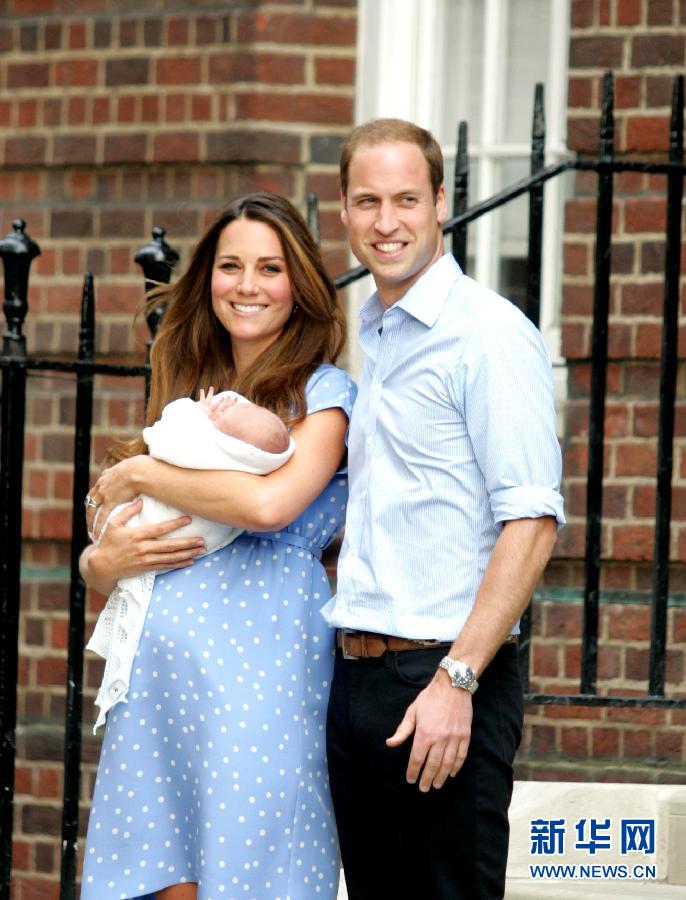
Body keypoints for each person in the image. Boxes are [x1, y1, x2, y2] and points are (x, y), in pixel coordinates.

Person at [79, 191, 356, 900]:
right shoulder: (191, 391)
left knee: (258, 865)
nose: (247, 285)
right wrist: (97, 563)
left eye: (270, 267)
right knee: (164, 873)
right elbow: (117, 539)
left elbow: (270, 505)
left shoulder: (323, 395)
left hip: (261, 673)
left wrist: (139, 467)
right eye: (230, 266)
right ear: (208, 281)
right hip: (160, 676)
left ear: (300, 286)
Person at [323, 118, 565, 899]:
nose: (385, 222)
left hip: (442, 677)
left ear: (439, 201)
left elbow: (531, 522)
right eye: (367, 201)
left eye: (404, 199)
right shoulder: (380, 334)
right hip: (358, 681)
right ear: (344, 211)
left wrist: (457, 680)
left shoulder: (488, 336)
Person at [87, 390, 296, 731]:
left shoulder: (207, 444)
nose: (227, 405)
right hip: (162, 639)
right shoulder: (243, 451)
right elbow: (97, 562)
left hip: (231, 638)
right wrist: (99, 561)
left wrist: (193, 412)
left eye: (235, 410)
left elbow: (164, 438)